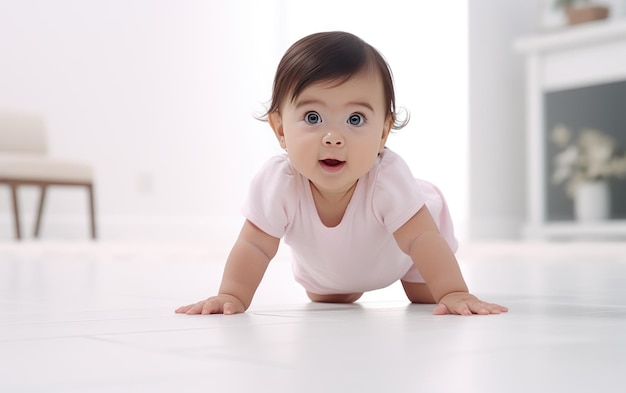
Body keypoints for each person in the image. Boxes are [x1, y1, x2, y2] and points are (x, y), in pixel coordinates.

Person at [176, 31, 508, 316]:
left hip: (401, 255)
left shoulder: (387, 180)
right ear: (280, 128)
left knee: (426, 296)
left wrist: (454, 293)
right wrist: (232, 295)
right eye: (312, 117)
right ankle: (343, 284)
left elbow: (422, 240)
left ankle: (426, 281)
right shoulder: (279, 183)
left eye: (355, 120)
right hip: (328, 272)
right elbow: (254, 246)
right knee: (327, 297)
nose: (333, 136)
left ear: (383, 133)